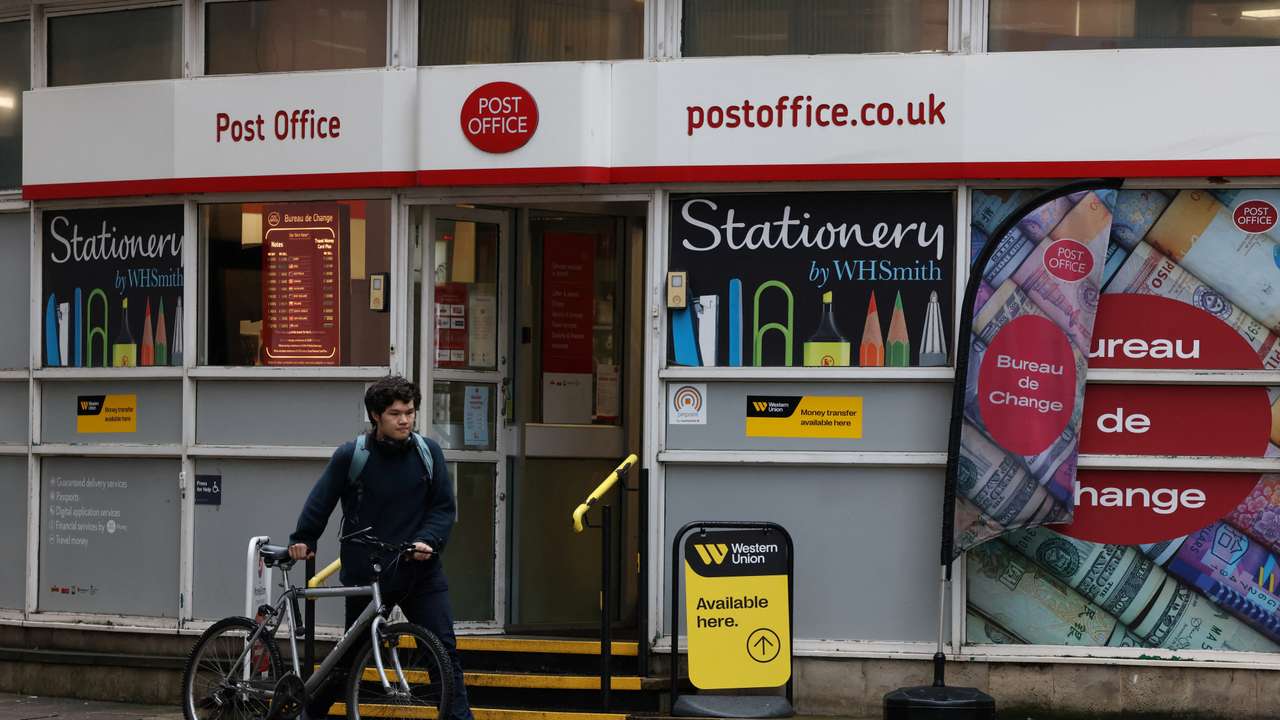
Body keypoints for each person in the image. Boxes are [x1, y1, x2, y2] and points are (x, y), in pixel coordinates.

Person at [287, 375, 472, 720]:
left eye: (410, 412)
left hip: (420, 570)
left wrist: (428, 541)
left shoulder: (427, 452)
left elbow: (443, 508)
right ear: (376, 415)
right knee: (349, 661)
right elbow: (321, 500)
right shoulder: (353, 455)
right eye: (395, 413)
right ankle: (307, 714)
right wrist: (303, 538)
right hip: (368, 571)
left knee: (443, 655)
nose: (404, 420)